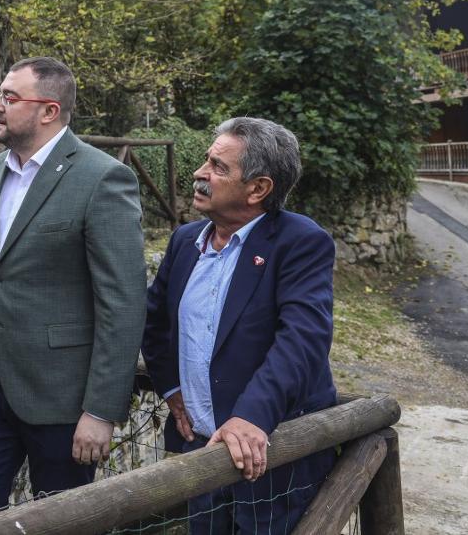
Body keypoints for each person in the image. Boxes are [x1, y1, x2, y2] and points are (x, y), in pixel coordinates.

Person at [0, 57, 147, 522]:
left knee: (62, 523)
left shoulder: (102, 177)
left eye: (9, 97)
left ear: (49, 111)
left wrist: (101, 410)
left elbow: (122, 303)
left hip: (63, 397)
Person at [142, 117, 337, 534]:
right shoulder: (185, 241)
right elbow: (154, 322)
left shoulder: (299, 241)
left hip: (274, 457)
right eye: (206, 161)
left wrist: (251, 417)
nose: (200, 173)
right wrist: (172, 389)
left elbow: (303, 340)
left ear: (258, 189)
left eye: (218, 166)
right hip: (202, 452)